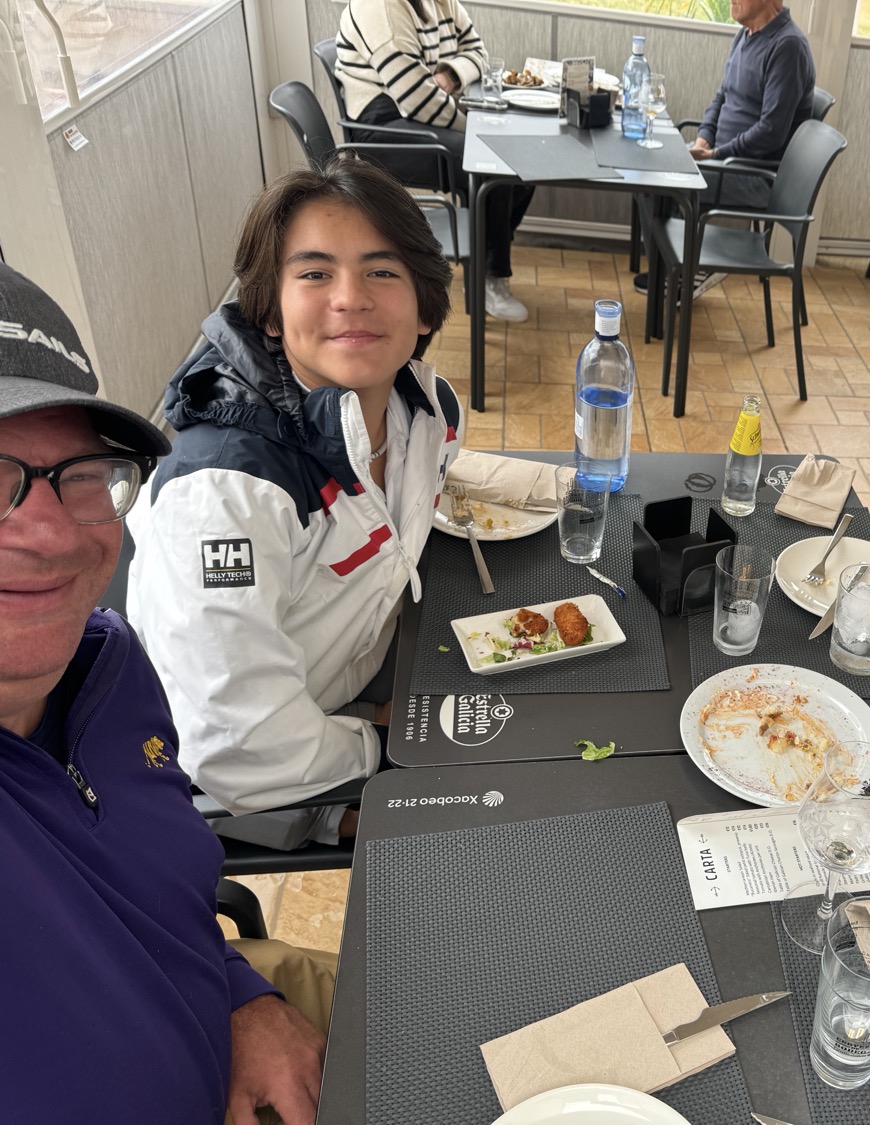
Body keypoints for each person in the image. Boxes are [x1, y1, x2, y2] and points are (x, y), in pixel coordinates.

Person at [0, 261, 328, 1122]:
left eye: (80, 470)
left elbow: (162, 899)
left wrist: (241, 995)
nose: (50, 531)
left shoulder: (109, 671)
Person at [127, 156, 463, 851]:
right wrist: (384, 745)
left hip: (343, 688)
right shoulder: (227, 492)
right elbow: (234, 743)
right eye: (314, 274)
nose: (350, 298)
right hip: (234, 781)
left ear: (425, 304)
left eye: (382, 271)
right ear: (271, 314)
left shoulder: (425, 411)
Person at [336, 0, 534, 322]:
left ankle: (483, 262)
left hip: (422, 113)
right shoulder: (379, 6)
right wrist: (474, 130)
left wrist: (449, 75)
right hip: (382, 129)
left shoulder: (443, 3)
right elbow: (416, 97)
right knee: (492, 163)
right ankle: (490, 278)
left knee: (520, 160)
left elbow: (478, 53)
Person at [632, 0, 815, 296]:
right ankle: (676, 270)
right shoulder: (745, 34)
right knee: (646, 170)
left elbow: (771, 132)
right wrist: (704, 139)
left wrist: (716, 154)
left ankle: (678, 275)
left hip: (756, 174)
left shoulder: (788, 47)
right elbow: (721, 97)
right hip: (722, 158)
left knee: (657, 183)